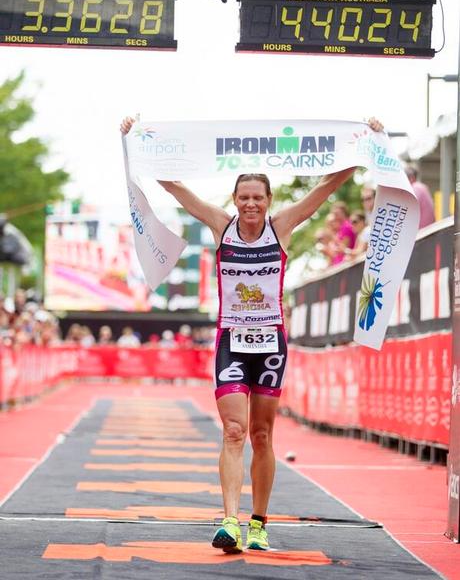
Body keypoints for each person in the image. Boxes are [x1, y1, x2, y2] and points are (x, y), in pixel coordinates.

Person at [120, 115, 384, 553]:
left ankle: (259, 523)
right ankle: (229, 522)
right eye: (244, 198)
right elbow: (173, 187)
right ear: (234, 198)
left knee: (262, 435)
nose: (250, 206)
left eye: (257, 198)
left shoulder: (281, 226)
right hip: (231, 342)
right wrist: (133, 140)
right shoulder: (220, 224)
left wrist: (367, 144)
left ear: (268, 199)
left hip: (271, 343)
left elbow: (327, 188)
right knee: (233, 431)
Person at [405, 164, 435, 228]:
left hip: (421, 231)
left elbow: (408, 207)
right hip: (428, 228)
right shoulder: (422, 187)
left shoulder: (415, 188)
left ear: (411, 177)